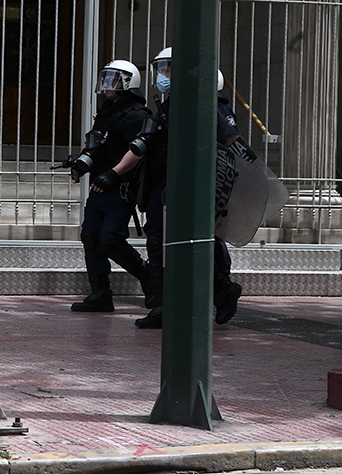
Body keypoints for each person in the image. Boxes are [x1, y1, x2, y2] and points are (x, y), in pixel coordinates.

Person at [133, 49, 242, 329]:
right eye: (161, 68)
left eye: (168, 68)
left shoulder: (202, 105)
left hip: (189, 188)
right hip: (163, 186)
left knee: (192, 245)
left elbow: (230, 147)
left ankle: (223, 291)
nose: (162, 74)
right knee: (156, 242)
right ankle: (160, 306)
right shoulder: (167, 104)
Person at [69, 60, 152, 313]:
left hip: (119, 187)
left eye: (113, 80)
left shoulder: (136, 114)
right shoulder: (108, 112)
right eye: (105, 79)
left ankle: (148, 277)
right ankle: (101, 293)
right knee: (90, 236)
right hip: (98, 186)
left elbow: (138, 150)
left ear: (128, 83)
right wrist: (81, 165)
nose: (106, 85)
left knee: (110, 240)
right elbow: (98, 146)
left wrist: (113, 174)